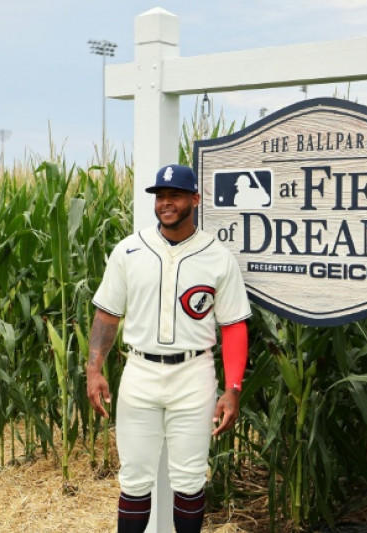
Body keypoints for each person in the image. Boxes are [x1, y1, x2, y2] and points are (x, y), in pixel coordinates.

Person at [86, 164, 251, 533]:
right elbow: (107, 316)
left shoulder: (217, 256)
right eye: (160, 196)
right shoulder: (129, 250)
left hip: (194, 374)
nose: (166, 203)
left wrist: (233, 388)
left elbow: (234, 327)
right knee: (134, 480)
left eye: (174, 195)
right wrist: (94, 370)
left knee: (190, 481)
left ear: (195, 198)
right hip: (140, 371)